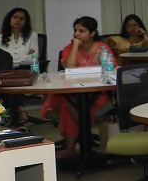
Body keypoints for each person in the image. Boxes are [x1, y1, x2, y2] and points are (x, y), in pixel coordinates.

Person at [43, 17, 117, 152]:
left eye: (81, 31)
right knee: (67, 102)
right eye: (75, 30)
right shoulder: (70, 48)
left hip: (97, 92)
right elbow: (69, 68)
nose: (76, 34)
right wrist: (76, 45)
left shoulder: (102, 48)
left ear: (92, 33)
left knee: (69, 107)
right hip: (73, 91)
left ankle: (72, 148)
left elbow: (112, 70)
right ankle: (84, 139)